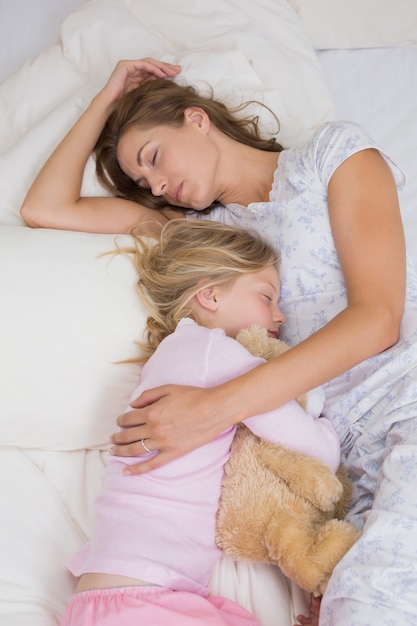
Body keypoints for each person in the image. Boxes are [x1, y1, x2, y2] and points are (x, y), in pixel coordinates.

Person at [21, 58, 417, 625]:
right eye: (143, 182)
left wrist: (214, 408)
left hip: (404, 402)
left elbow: (377, 317)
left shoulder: (331, 157)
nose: (156, 185)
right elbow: (45, 209)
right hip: (342, 468)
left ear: (197, 119)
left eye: (153, 157)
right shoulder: (211, 239)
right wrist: (104, 100)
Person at [59, 219, 337, 626]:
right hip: (141, 598)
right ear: (209, 295)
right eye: (267, 296)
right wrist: (325, 423)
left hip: (129, 595)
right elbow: (314, 448)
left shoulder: (176, 355)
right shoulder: (214, 352)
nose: (279, 317)